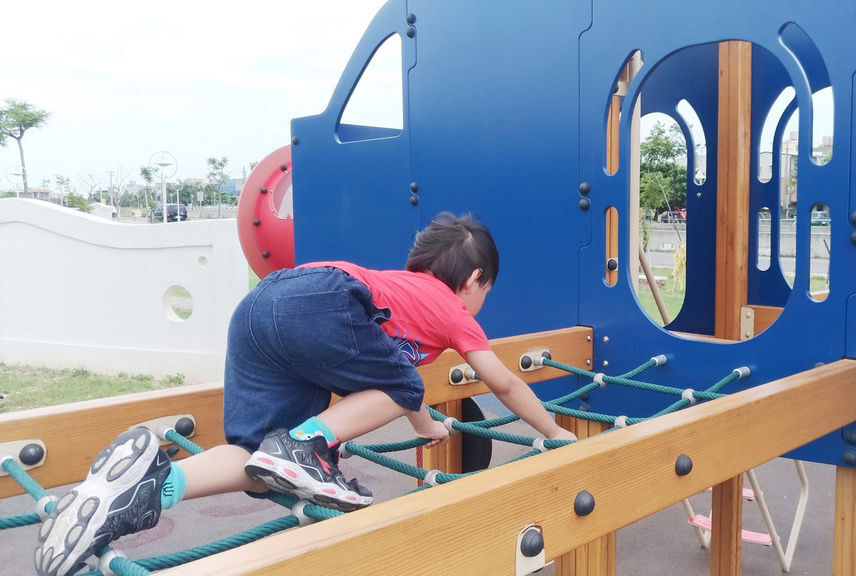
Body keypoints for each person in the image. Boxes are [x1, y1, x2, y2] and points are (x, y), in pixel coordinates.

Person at [35, 212, 576, 576]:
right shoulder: (448, 306)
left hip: (261, 307)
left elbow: (381, 382)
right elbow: (501, 380)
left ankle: (138, 492)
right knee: (401, 385)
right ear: (474, 279)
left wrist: (418, 419)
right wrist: (553, 431)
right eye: (486, 292)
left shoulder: (399, 294)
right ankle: (307, 447)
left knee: (257, 453)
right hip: (322, 300)